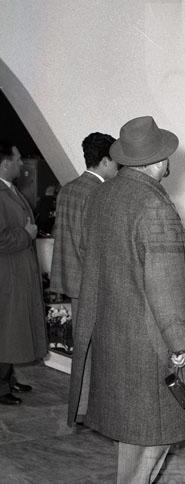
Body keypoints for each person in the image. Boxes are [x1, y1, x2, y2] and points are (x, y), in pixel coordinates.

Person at [67, 116, 185, 483]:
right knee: (158, 434)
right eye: (166, 154)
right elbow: (166, 283)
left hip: (115, 336)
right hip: (151, 344)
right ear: (156, 160)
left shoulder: (103, 195)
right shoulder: (155, 205)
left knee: (133, 434)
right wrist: (180, 342)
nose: (169, 161)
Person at [0, 141, 48, 406]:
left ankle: (8, 379)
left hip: (17, 271)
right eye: (17, 159)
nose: (21, 163)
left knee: (11, 329)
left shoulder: (10, 189)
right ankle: (1, 386)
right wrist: (26, 234)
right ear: (5, 163)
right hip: (7, 274)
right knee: (7, 328)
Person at [50, 131, 118, 313]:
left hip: (73, 280)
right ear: (105, 161)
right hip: (96, 282)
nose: (117, 167)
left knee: (80, 328)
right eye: (115, 161)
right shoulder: (102, 192)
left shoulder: (66, 189)